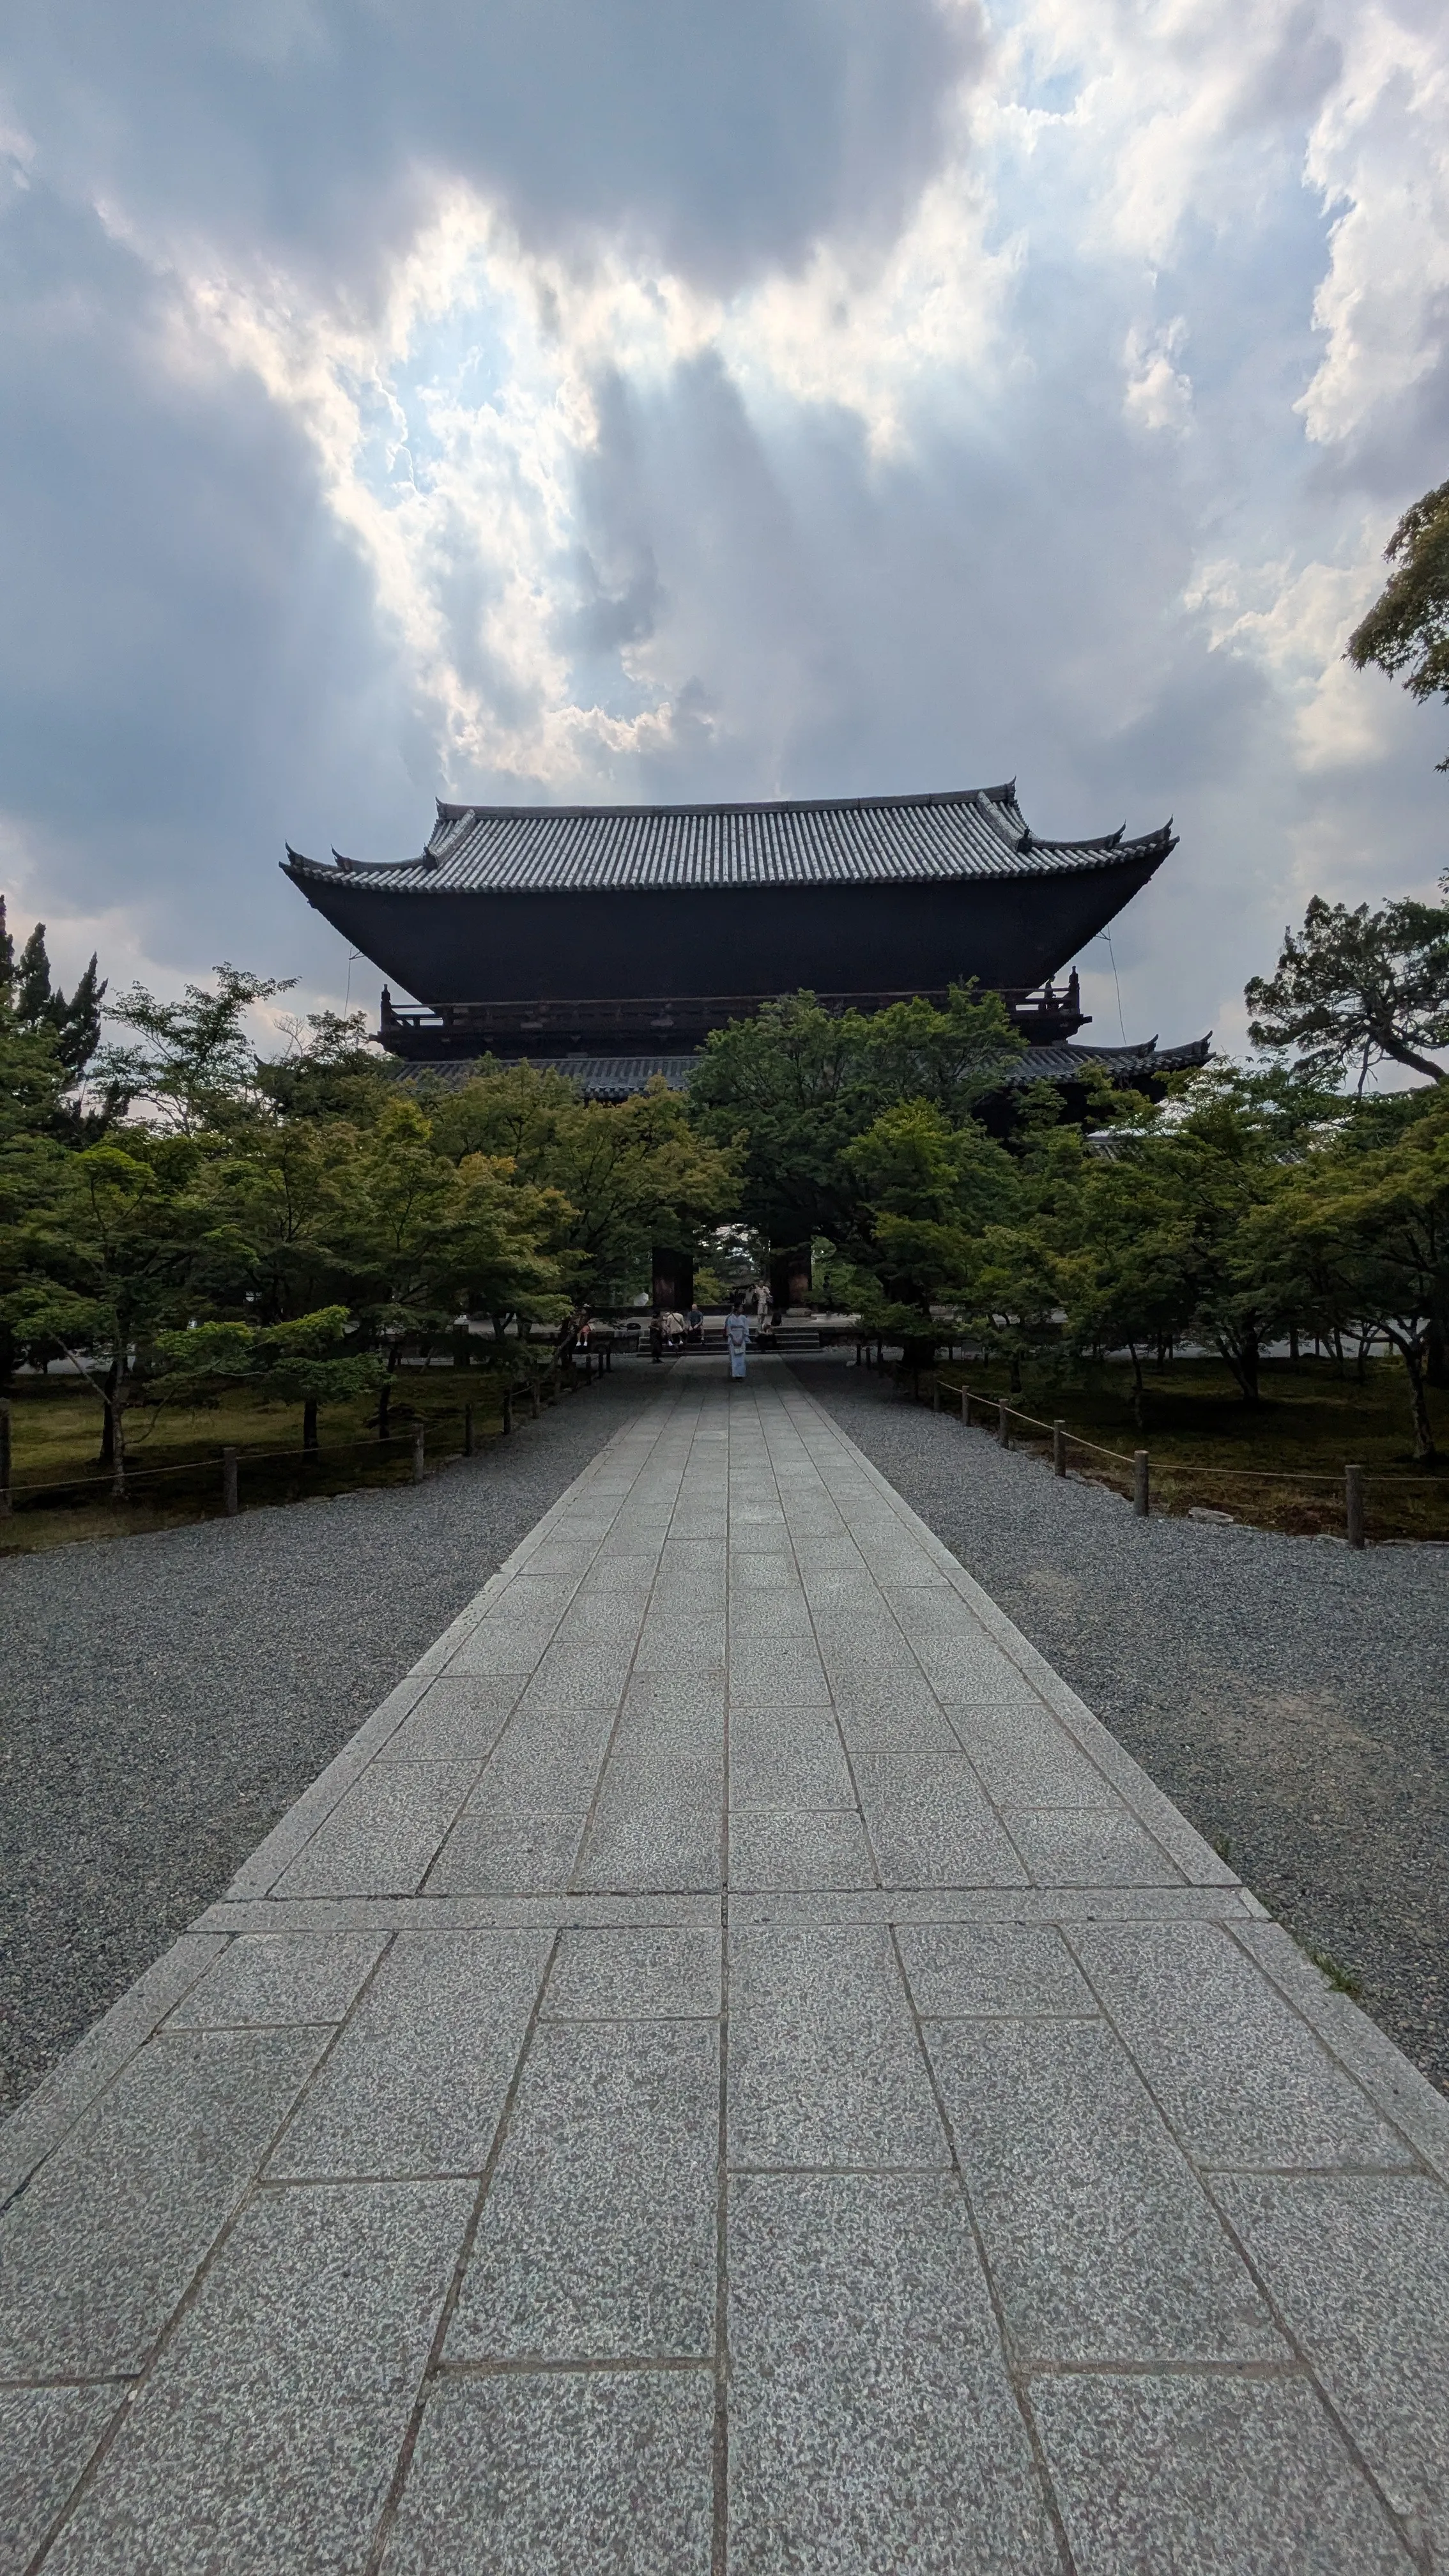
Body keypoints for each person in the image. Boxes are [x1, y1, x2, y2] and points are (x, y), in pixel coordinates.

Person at [724, 1302, 751, 1381]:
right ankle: (735, 1374)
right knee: (734, 1357)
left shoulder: (744, 1318)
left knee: (741, 1357)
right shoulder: (730, 1318)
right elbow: (729, 1329)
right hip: (733, 1337)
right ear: (737, 1308)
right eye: (740, 1307)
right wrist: (733, 1339)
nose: (742, 1309)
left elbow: (746, 1330)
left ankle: (741, 1374)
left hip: (741, 1336)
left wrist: (741, 1338)